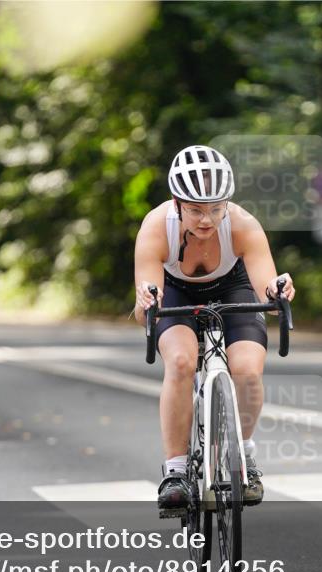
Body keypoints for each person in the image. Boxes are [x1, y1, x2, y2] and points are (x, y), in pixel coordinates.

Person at [134, 146, 296, 511]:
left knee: (248, 370)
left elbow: (265, 284)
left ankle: (245, 458)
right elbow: (148, 288)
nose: (206, 220)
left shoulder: (243, 224)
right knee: (179, 362)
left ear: (227, 203)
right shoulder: (157, 227)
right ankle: (175, 472)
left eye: (215, 208)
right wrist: (147, 297)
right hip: (176, 291)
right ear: (177, 203)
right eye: (195, 209)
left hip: (232, 286)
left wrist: (277, 289)